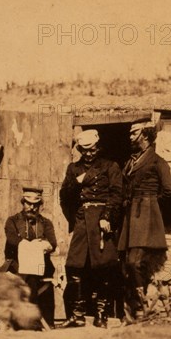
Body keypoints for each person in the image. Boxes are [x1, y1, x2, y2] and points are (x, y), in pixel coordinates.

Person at [59, 129, 123, 328]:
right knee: (74, 266)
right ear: (79, 149)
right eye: (84, 150)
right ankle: (77, 315)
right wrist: (77, 183)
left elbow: (117, 195)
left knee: (103, 267)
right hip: (82, 221)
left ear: (98, 148)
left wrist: (107, 217)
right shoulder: (73, 168)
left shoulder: (110, 166)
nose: (89, 154)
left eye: (92, 150)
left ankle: (101, 314)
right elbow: (64, 196)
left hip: (102, 222)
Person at [118, 120, 171, 321]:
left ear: (144, 135)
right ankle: (134, 310)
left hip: (145, 218)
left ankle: (141, 307)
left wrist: (150, 204)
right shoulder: (131, 161)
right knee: (128, 264)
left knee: (134, 263)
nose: (129, 137)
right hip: (130, 218)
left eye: (133, 133)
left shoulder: (157, 161)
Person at [2, 187, 57, 327]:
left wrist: (45, 246)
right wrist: (34, 245)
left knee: (42, 279)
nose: (32, 207)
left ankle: (45, 320)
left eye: (35, 205)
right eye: (28, 203)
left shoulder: (46, 223)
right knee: (28, 277)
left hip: (41, 266)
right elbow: (13, 240)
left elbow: (52, 243)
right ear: (23, 202)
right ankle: (27, 320)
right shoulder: (12, 221)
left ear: (39, 205)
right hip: (17, 265)